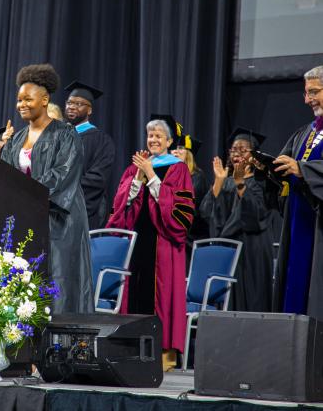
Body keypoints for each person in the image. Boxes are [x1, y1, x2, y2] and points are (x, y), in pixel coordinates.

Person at [0, 63, 93, 314]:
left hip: (59, 221)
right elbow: (5, 177)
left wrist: (24, 193)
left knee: (59, 282)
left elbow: (62, 175)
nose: (22, 105)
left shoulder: (66, 134)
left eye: (28, 99)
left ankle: (61, 345)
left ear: (45, 99)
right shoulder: (17, 139)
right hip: (27, 220)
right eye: (19, 100)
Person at [106, 115, 194, 370]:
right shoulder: (137, 167)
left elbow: (181, 212)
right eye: (150, 135)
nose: (153, 140)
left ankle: (162, 353)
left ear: (168, 140)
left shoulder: (178, 168)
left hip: (163, 243)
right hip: (137, 242)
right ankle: (131, 348)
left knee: (162, 295)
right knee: (133, 292)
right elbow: (122, 203)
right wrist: (137, 179)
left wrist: (151, 176)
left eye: (158, 136)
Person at [200, 127, 275, 313]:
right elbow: (207, 212)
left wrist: (241, 184)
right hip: (230, 248)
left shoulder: (263, 181)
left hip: (252, 249)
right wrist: (218, 181)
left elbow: (256, 215)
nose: (236, 154)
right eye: (234, 149)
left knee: (252, 298)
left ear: (253, 155)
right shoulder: (225, 181)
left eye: (243, 150)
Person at [271, 65, 323, 319]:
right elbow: (284, 169)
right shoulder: (305, 132)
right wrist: (266, 170)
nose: (308, 99)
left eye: (314, 92)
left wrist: (303, 170)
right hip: (298, 219)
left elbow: (300, 168)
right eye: (306, 93)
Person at [64, 81, 116, 229]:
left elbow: (96, 180)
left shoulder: (102, 141)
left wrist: (63, 196)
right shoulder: (57, 137)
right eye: (69, 102)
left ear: (89, 110)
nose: (72, 107)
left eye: (79, 104)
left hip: (80, 215)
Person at [172, 134, 209, 266]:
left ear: (189, 154)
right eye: (175, 148)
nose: (176, 151)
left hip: (192, 236)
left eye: (181, 148)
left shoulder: (197, 177)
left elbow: (188, 206)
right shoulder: (174, 175)